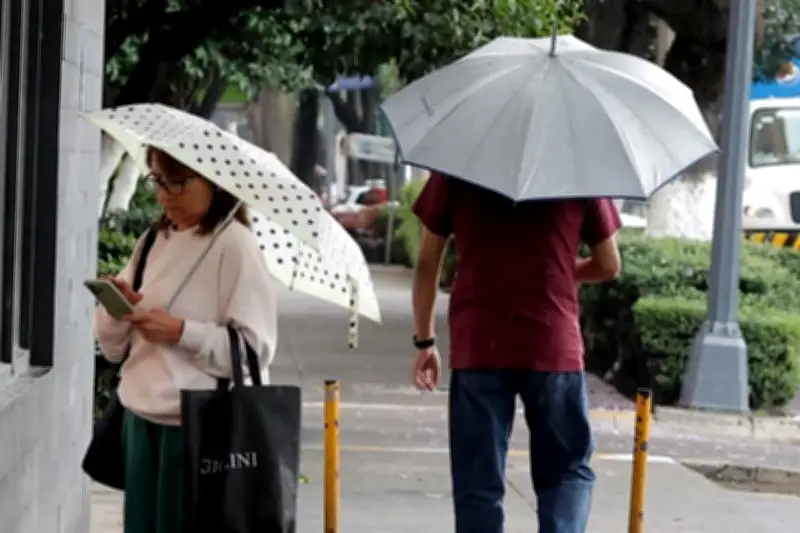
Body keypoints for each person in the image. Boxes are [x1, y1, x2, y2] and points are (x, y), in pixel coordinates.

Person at [410, 172, 622, 533]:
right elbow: (609, 264)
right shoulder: (578, 168)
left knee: (478, 483)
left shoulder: (459, 166)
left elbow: (428, 261)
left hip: (479, 345)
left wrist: (425, 342)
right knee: (566, 471)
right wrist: (563, 271)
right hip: (552, 345)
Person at [93, 147, 278, 533]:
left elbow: (253, 353)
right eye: (157, 180)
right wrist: (116, 310)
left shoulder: (235, 245)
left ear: (213, 182)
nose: (164, 194)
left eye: (177, 182)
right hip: (139, 421)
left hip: (198, 431)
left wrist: (181, 332)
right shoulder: (152, 240)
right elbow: (113, 349)